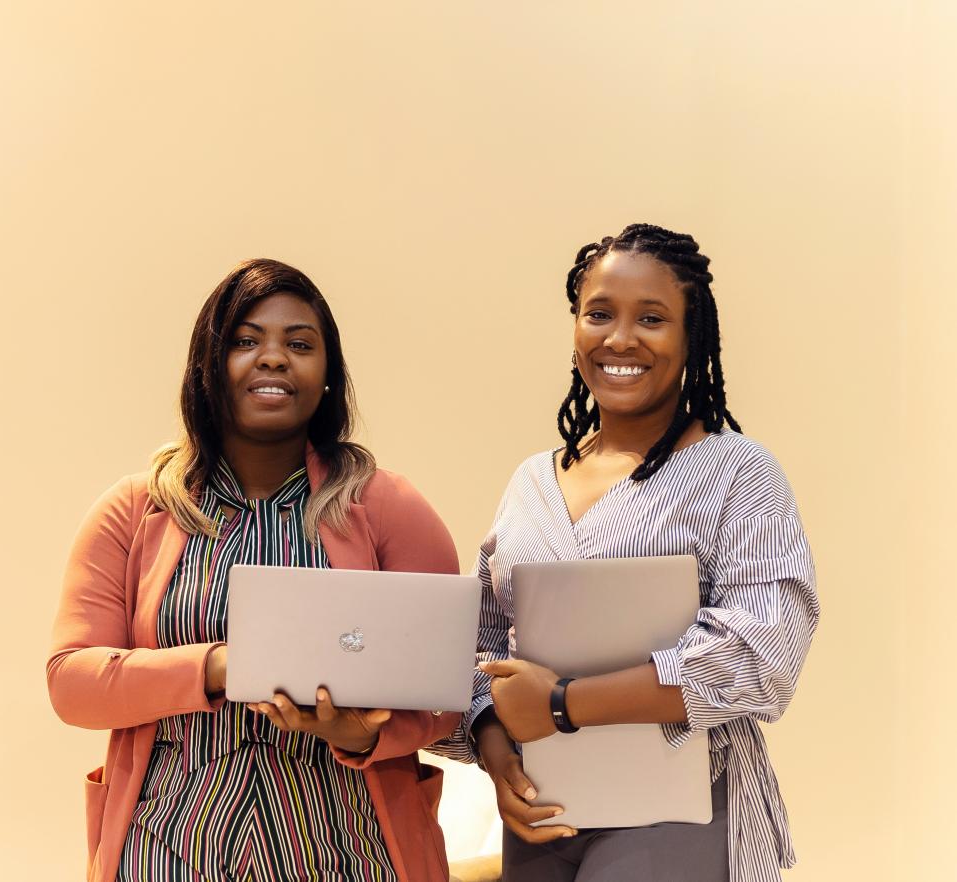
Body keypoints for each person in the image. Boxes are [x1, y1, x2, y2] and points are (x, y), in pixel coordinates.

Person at [47, 259, 460, 882]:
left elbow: (443, 690)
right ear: (207, 368)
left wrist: (356, 735)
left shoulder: (388, 507)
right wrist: (219, 665)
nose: (273, 358)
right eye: (245, 341)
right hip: (166, 846)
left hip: (349, 849)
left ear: (328, 377)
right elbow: (72, 682)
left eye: (299, 344)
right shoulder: (135, 509)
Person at [436, 224, 819, 882]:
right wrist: (499, 756)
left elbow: (763, 655)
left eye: (652, 318)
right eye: (599, 314)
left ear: (690, 336)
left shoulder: (738, 472)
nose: (620, 339)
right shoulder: (531, 482)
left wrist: (564, 702)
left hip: (683, 808)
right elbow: (481, 647)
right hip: (546, 810)